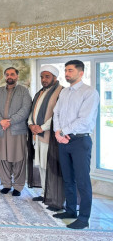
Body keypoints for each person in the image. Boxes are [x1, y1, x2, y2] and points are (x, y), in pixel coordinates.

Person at [52, 60, 99, 229]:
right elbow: (55, 112)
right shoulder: (64, 92)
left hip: (80, 140)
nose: (66, 73)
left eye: (70, 70)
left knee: (82, 180)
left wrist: (63, 132)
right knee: (68, 179)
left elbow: (84, 120)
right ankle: (70, 210)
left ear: (81, 73)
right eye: (65, 70)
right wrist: (58, 132)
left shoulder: (90, 92)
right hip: (63, 140)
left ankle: (84, 217)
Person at [0, 67, 32, 196]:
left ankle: (18, 187)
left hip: (17, 130)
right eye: (7, 74)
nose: (10, 77)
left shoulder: (24, 91)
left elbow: (26, 109)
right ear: (4, 76)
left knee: (18, 158)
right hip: (2, 130)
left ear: (17, 76)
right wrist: (1, 121)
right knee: (3, 158)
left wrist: (10, 121)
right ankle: (6, 184)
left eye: (12, 74)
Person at [27, 65, 64, 206]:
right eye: (42, 77)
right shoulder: (40, 92)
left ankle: (54, 196)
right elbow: (32, 111)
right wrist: (31, 125)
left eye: (47, 76)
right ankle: (44, 193)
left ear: (55, 77)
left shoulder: (61, 92)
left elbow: (58, 116)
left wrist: (41, 128)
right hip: (38, 136)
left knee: (51, 167)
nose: (44, 79)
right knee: (42, 166)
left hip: (50, 137)